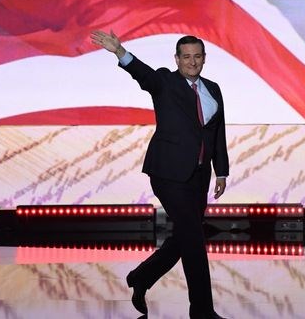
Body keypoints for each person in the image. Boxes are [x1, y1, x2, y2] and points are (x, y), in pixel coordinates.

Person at [91, 30, 229, 319]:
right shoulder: (165, 81)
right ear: (177, 59)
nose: (192, 62)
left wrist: (221, 172)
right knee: (193, 238)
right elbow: (144, 75)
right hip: (168, 173)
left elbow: (217, 133)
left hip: (199, 176)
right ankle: (202, 311)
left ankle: (141, 277)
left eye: (197, 56)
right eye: (186, 57)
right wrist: (120, 52)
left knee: (185, 235)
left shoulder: (213, 89)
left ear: (204, 58)